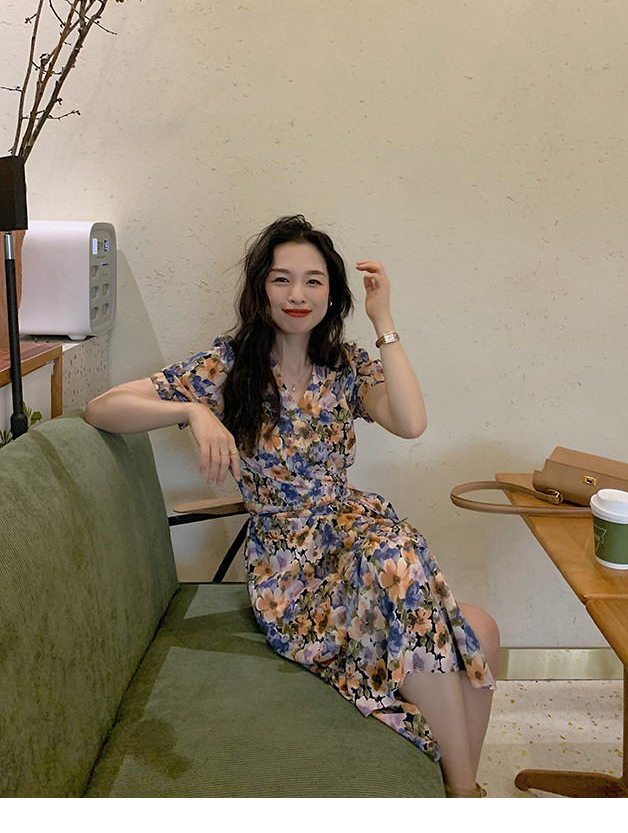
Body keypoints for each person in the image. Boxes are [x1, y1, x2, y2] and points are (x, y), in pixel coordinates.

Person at [84, 214, 500, 797]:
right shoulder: (229, 366)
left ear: (332, 294)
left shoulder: (346, 366)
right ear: (261, 289)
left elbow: (410, 422)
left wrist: (383, 320)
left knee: (481, 629)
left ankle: (462, 794)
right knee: (397, 554)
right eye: (282, 279)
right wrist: (192, 411)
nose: (297, 294)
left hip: (355, 539)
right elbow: (102, 408)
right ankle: (466, 798)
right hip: (292, 569)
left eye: (313, 280)